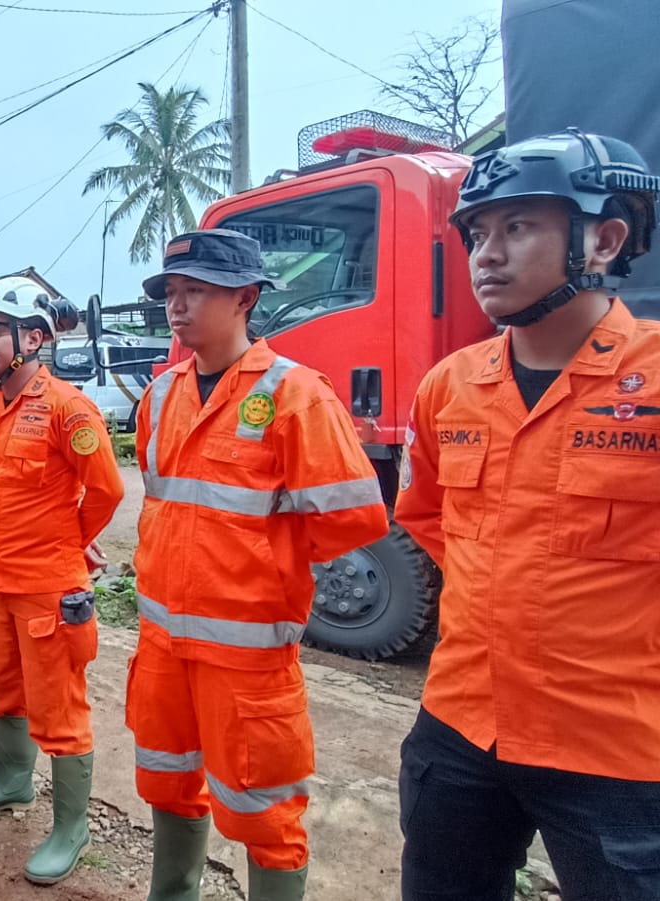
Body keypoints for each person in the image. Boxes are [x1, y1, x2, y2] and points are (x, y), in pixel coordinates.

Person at [394, 131, 660, 901]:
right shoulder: (449, 387)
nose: (487, 254)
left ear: (605, 238)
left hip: (614, 746)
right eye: (478, 233)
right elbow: (430, 514)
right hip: (460, 724)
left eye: (518, 227)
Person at [129, 230, 388, 901]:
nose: (178, 307)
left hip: (245, 658)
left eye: (197, 291)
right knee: (167, 780)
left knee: (264, 811)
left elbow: (350, 518)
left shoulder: (295, 395)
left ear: (245, 297)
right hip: (163, 646)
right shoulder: (160, 397)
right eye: (172, 293)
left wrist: (255, 567)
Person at [0, 276, 124, 885]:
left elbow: (107, 489)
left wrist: (70, 542)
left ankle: (71, 828)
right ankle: (10, 781)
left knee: (60, 709)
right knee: (3, 689)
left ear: (34, 337)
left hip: (51, 590)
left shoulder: (67, 408)